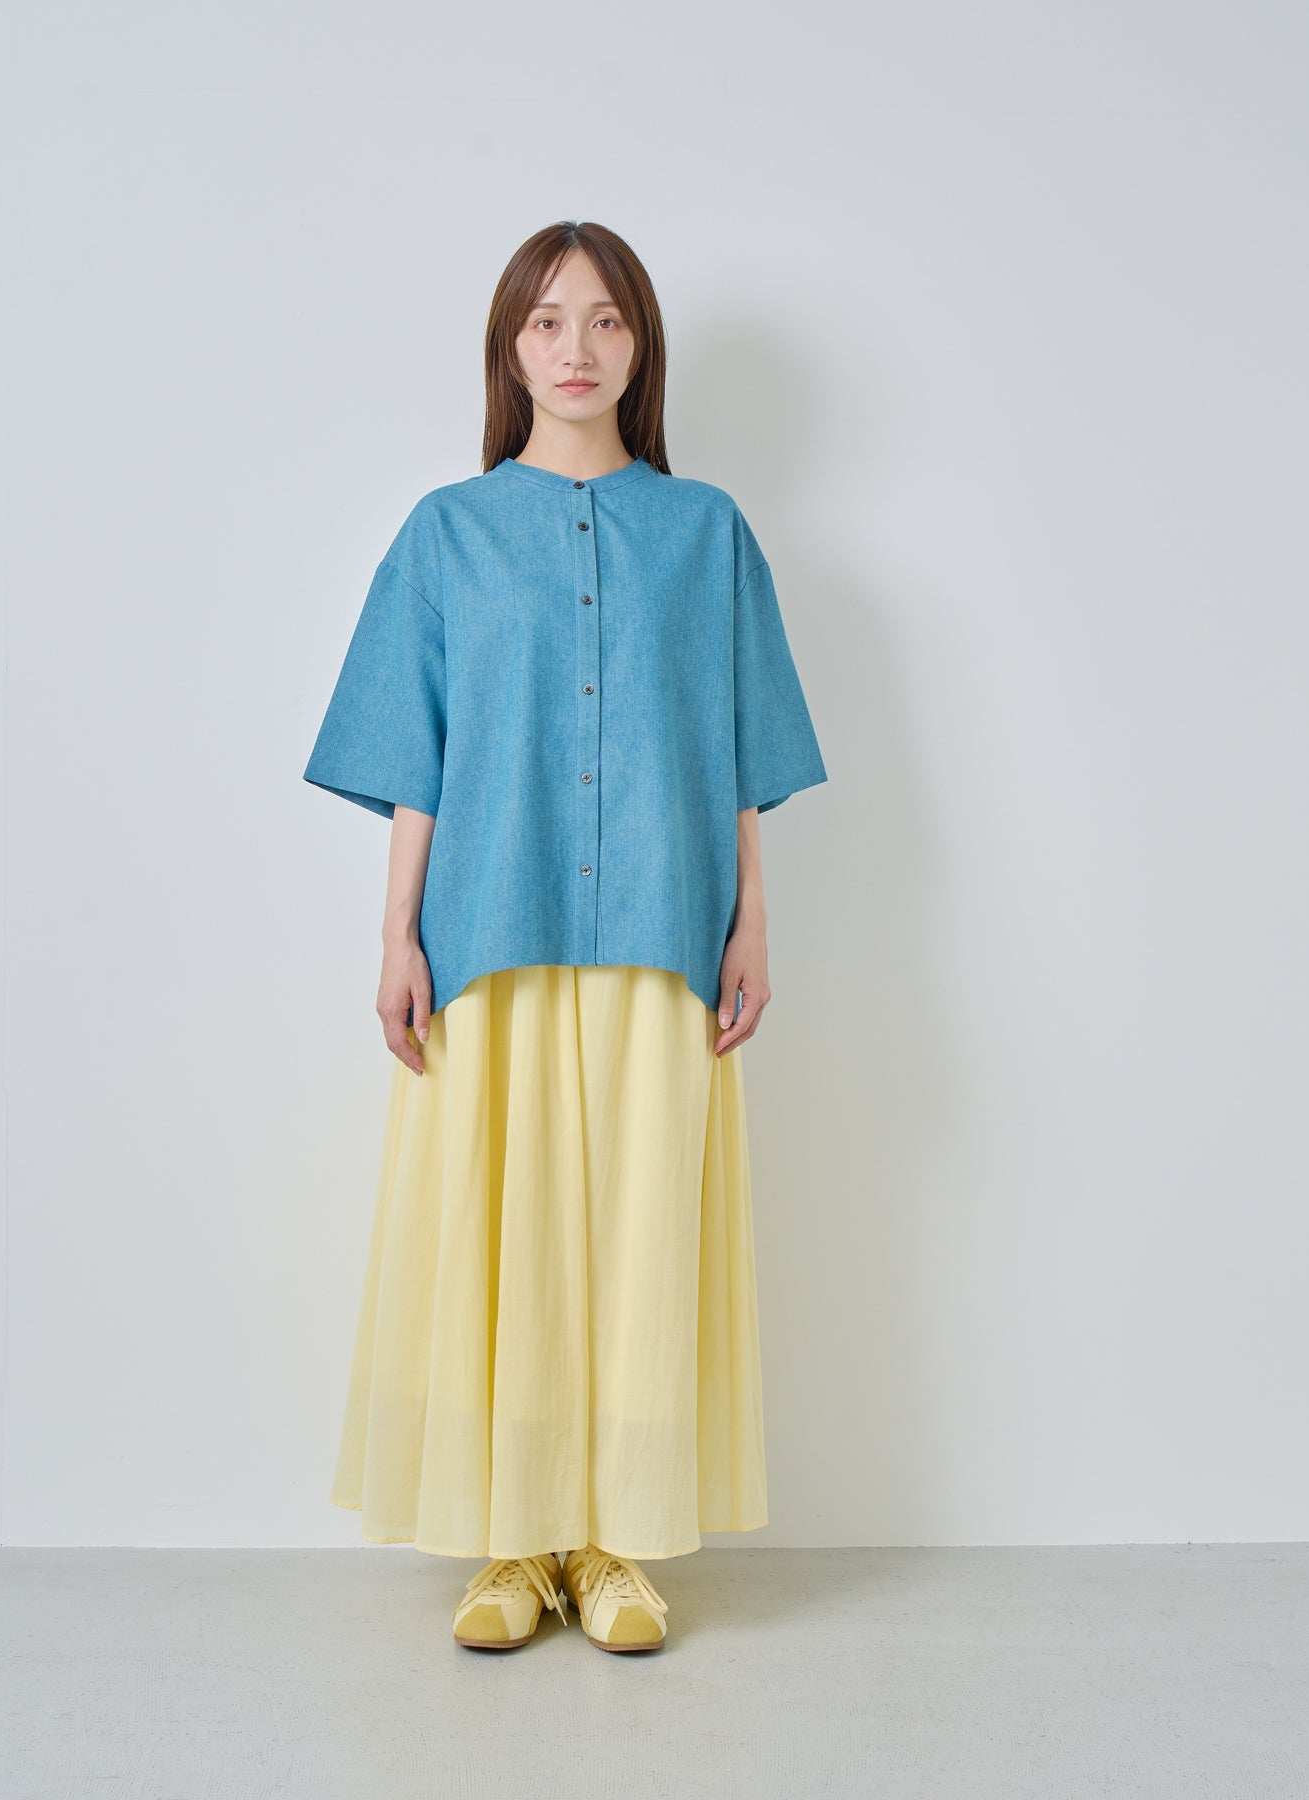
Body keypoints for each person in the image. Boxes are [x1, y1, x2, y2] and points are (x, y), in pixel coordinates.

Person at [302, 219, 828, 1653]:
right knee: (505, 1236)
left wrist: (752, 922)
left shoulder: (706, 533)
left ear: (640, 345)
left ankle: (613, 1548)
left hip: (665, 927)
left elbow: (736, 747)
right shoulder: (447, 534)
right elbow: (418, 757)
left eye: (604, 320)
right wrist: (398, 936)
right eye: (546, 321)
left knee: (642, 1231)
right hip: (492, 923)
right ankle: (514, 1544)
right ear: (509, 349)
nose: (576, 349)